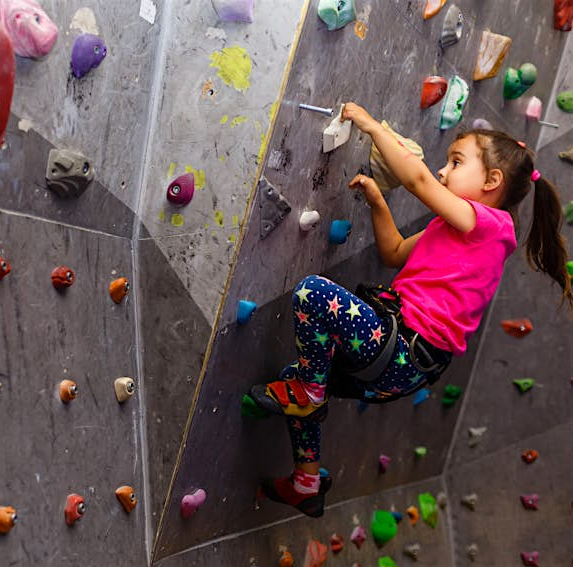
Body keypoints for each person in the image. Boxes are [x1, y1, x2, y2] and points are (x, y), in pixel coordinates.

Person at [243, 102, 573, 518]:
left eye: (456, 162)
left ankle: (309, 394)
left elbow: (417, 180)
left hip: (404, 348)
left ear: (492, 180)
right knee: (300, 377)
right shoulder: (453, 227)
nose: (442, 171)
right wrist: (379, 201)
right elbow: (395, 252)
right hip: (402, 364)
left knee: (313, 294)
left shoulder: (492, 226)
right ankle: (306, 482)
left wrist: (368, 124)